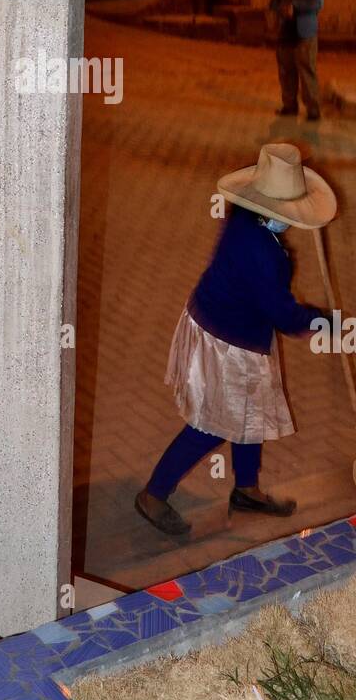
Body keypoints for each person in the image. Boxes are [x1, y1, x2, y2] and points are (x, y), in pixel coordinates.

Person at [135, 143, 336, 537]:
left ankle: (246, 488)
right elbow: (282, 312)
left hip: (227, 324)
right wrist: (320, 320)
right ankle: (154, 494)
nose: (291, 221)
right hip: (227, 341)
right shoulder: (262, 252)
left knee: (249, 416)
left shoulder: (245, 218)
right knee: (212, 424)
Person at [268, 0, 323, 120]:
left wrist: (295, 6)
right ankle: (290, 106)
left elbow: (317, 3)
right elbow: (272, 3)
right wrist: (282, 9)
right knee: (286, 72)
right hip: (286, 34)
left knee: (307, 72)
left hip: (305, 35)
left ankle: (313, 110)